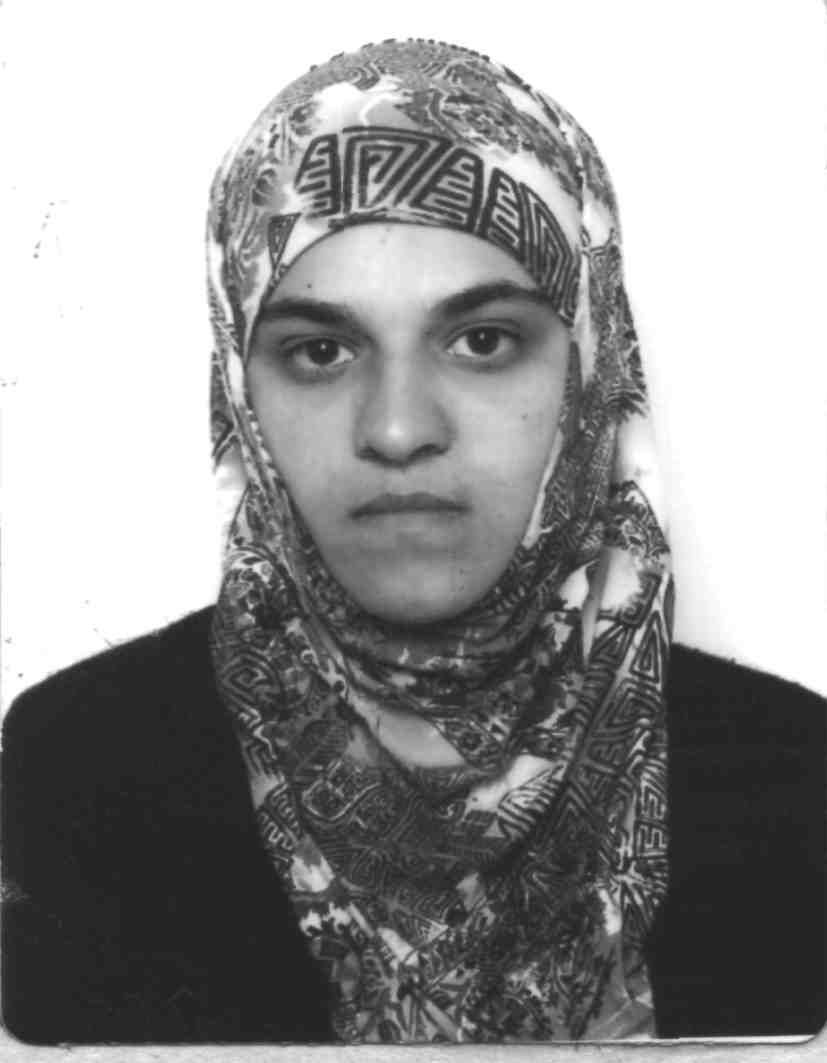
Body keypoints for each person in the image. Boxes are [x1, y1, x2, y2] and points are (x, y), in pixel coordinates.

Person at [2, 39, 824, 1045]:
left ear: (590, 361)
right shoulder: (78, 771)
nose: (396, 429)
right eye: (319, 350)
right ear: (239, 394)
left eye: (483, 340)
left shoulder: (795, 782)